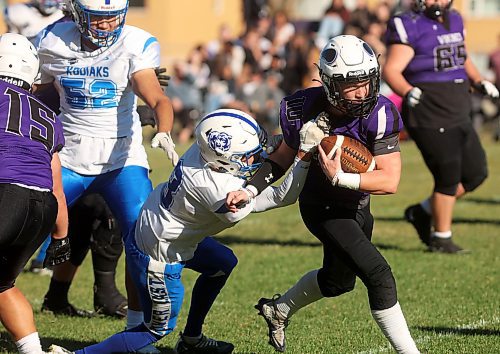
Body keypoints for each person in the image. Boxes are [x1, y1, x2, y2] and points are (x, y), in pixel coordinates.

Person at [48, 108, 322, 354]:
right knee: (155, 330)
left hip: (161, 227)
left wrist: (289, 137)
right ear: (225, 160)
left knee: (222, 263)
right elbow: (281, 197)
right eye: (245, 156)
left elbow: (261, 149)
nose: (253, 158)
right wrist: (303, 155)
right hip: (161, 252)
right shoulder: (219, 193)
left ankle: (192, 339)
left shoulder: (202, 152)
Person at [226, 35, 420, 353]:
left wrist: (342, 177)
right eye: (352, 84)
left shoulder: (381, 112)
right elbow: (280, 161)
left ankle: (277, 310)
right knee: (378, 273)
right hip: (320, 204)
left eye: (367, 81)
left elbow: (389, 180)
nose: (363, 91)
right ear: (330, 83)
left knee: (337, 282)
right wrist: (249, 189)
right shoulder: (301, 106)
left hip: (356, 202)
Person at [34, 0, 178, 351]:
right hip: (67, 157)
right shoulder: (51, 40)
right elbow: (33, 90)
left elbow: (156, 96)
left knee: (142, 241)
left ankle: (136, 331)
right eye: (98, 17)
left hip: (121, 158)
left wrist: (163, 128)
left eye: (113, 16)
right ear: (78, 15)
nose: (107, 24)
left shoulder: (135, 42)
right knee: (19, 224)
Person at [383, 0, 499, 253]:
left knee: (476, 173)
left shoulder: (456, 19)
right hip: (429, 111)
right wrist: (407, 91)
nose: (437, 1)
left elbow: (461, 54)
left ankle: (422, 212)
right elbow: (391, 69)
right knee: (448, 177)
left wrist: (479, 81)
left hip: (458, 109)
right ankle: (441, 238)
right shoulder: (409, 24)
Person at [0, 33, 70, 354]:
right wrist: (60, 236)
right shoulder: (47, 116)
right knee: (2, 284)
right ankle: (33, 352)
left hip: (5, 195)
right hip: (42, 208)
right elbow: (55, 180)